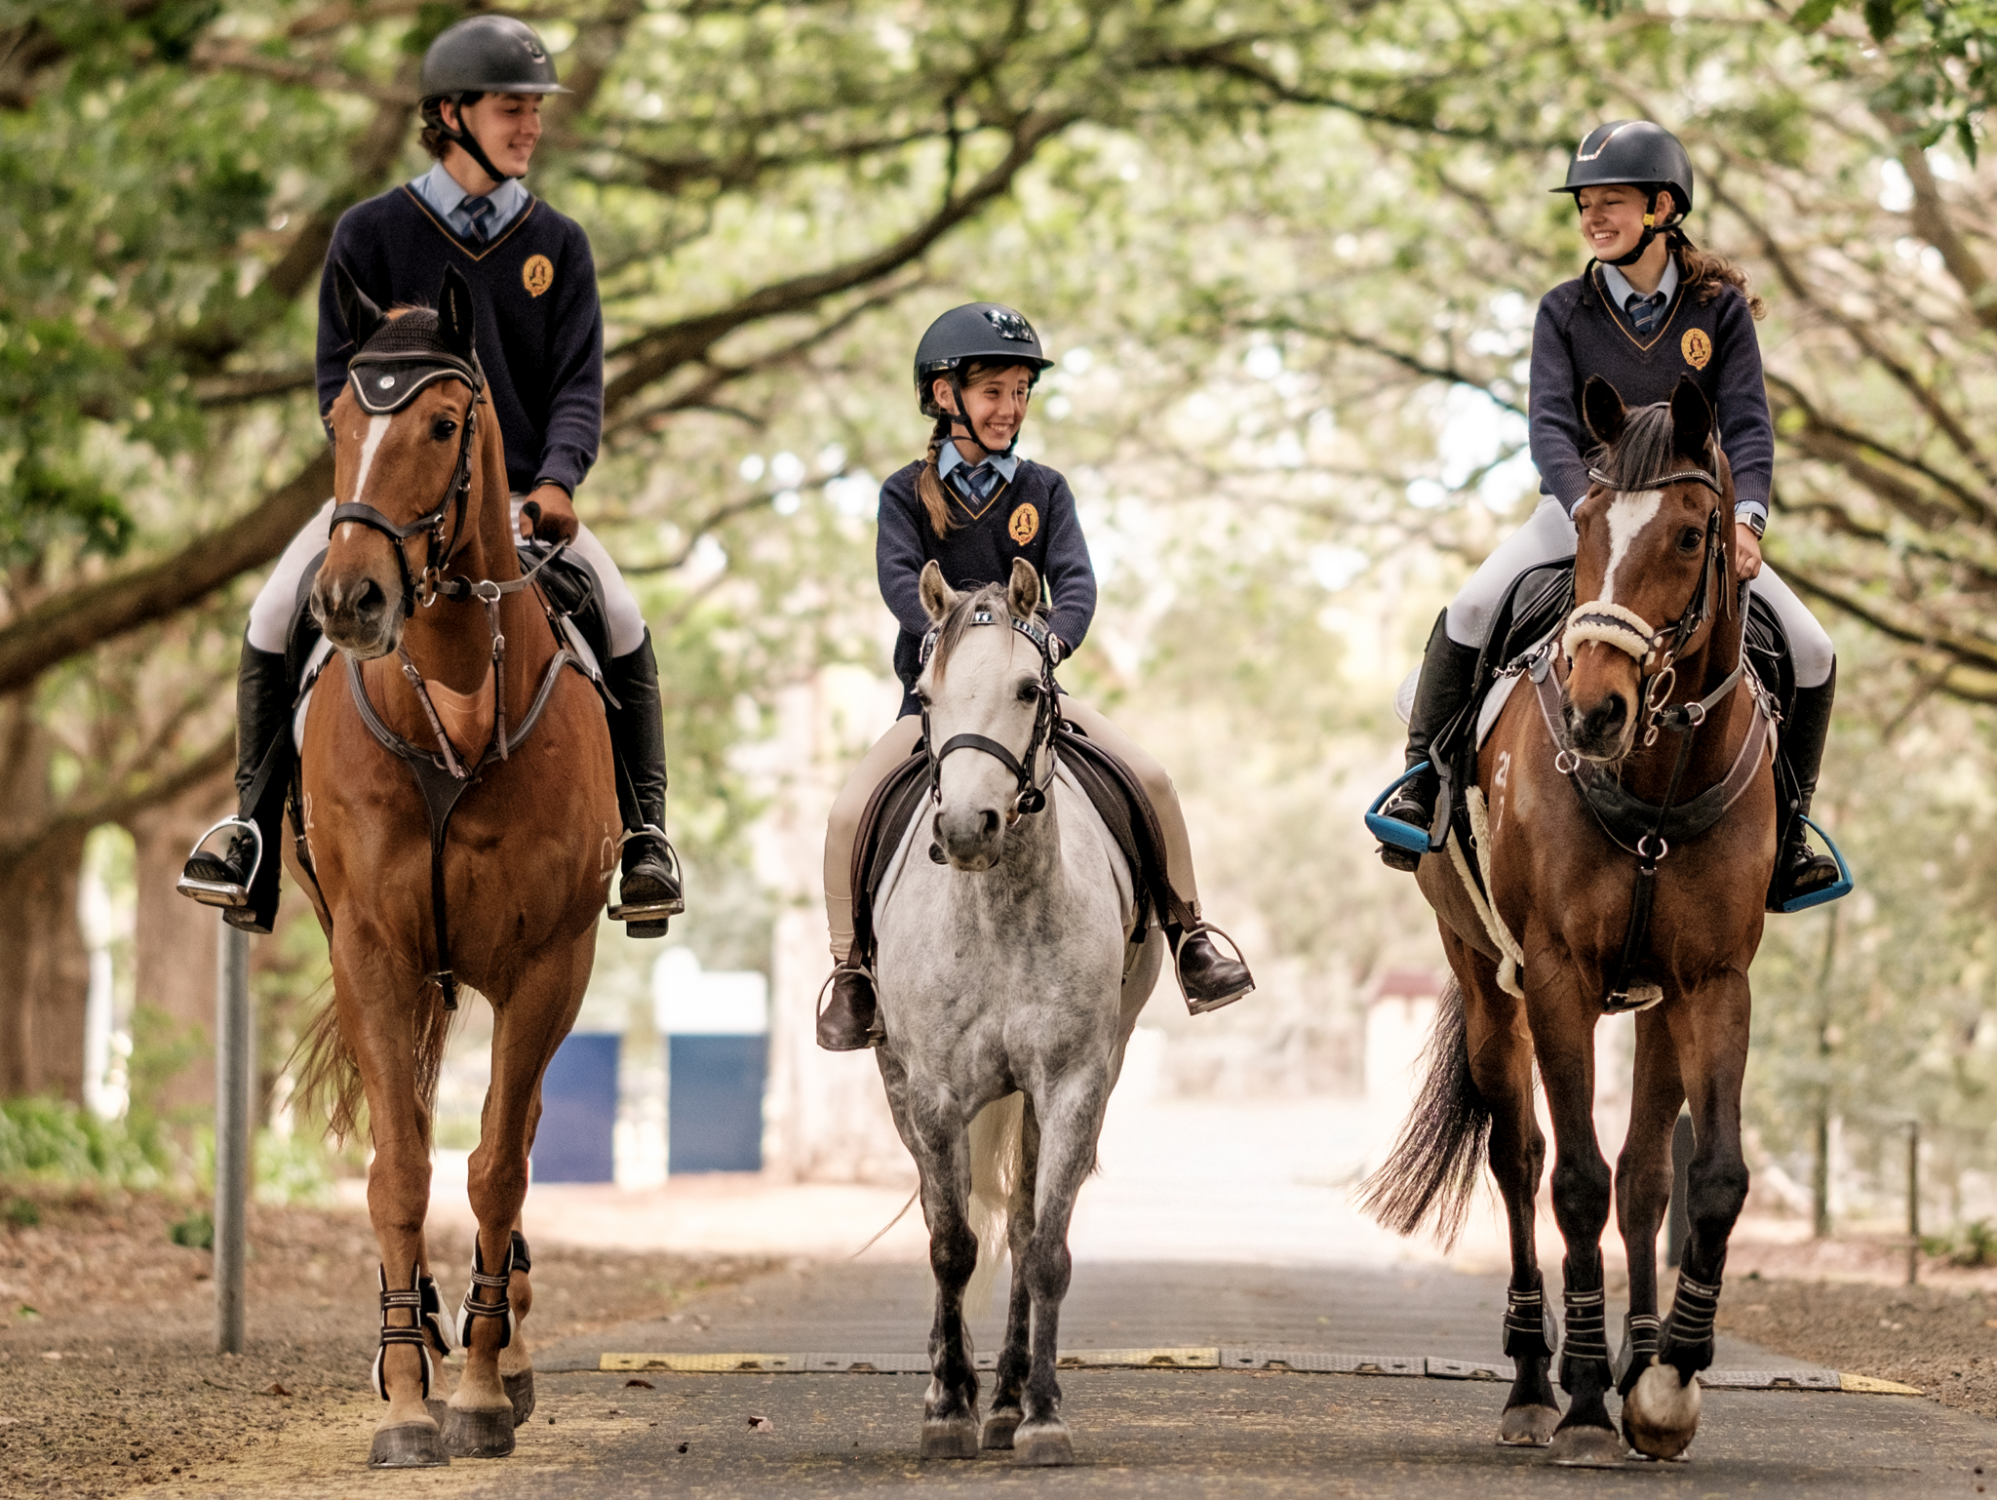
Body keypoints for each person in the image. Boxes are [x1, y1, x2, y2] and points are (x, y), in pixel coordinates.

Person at [178, 15, 682, 935]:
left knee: (620, 618)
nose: (529, 127)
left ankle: (646, 836)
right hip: (385, 496)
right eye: (510, 109)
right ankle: (248, 832)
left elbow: (577, 385)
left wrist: (558, 479)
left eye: (533, 110)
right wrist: (375, 485)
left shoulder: (557, 245)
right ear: (449, 114)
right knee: (269, 616)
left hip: (523, 502)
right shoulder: (367, 234)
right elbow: (340, 383)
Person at [1375, 120, 1840, 908]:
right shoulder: (1563, 309)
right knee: (1472, 607)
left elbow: (1748, 423)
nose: (1592, 218)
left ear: (1661, 208)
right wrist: (1585, 505)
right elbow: (1548, 427)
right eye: (1585, 205)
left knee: (1813, 649)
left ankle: (1790, 831)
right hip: (1585, 507)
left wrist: (1747, 521)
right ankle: (1422, 781)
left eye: (1610, 203)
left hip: (1691, 525)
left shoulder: (1716, 310)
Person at [814, 303, 1255, 1050]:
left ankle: (1188, 937)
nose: (1009, 408)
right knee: (850, 812)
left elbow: (1074, 581)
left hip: (1031, 694)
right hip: (938, 705)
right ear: (945, 396)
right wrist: (954, 645)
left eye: (1020, 392)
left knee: (1149, 778)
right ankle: (851, 971)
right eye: (993, 392)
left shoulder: (1044, 490)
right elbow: (899, 582)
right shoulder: (901, 493)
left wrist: (1046, 641)